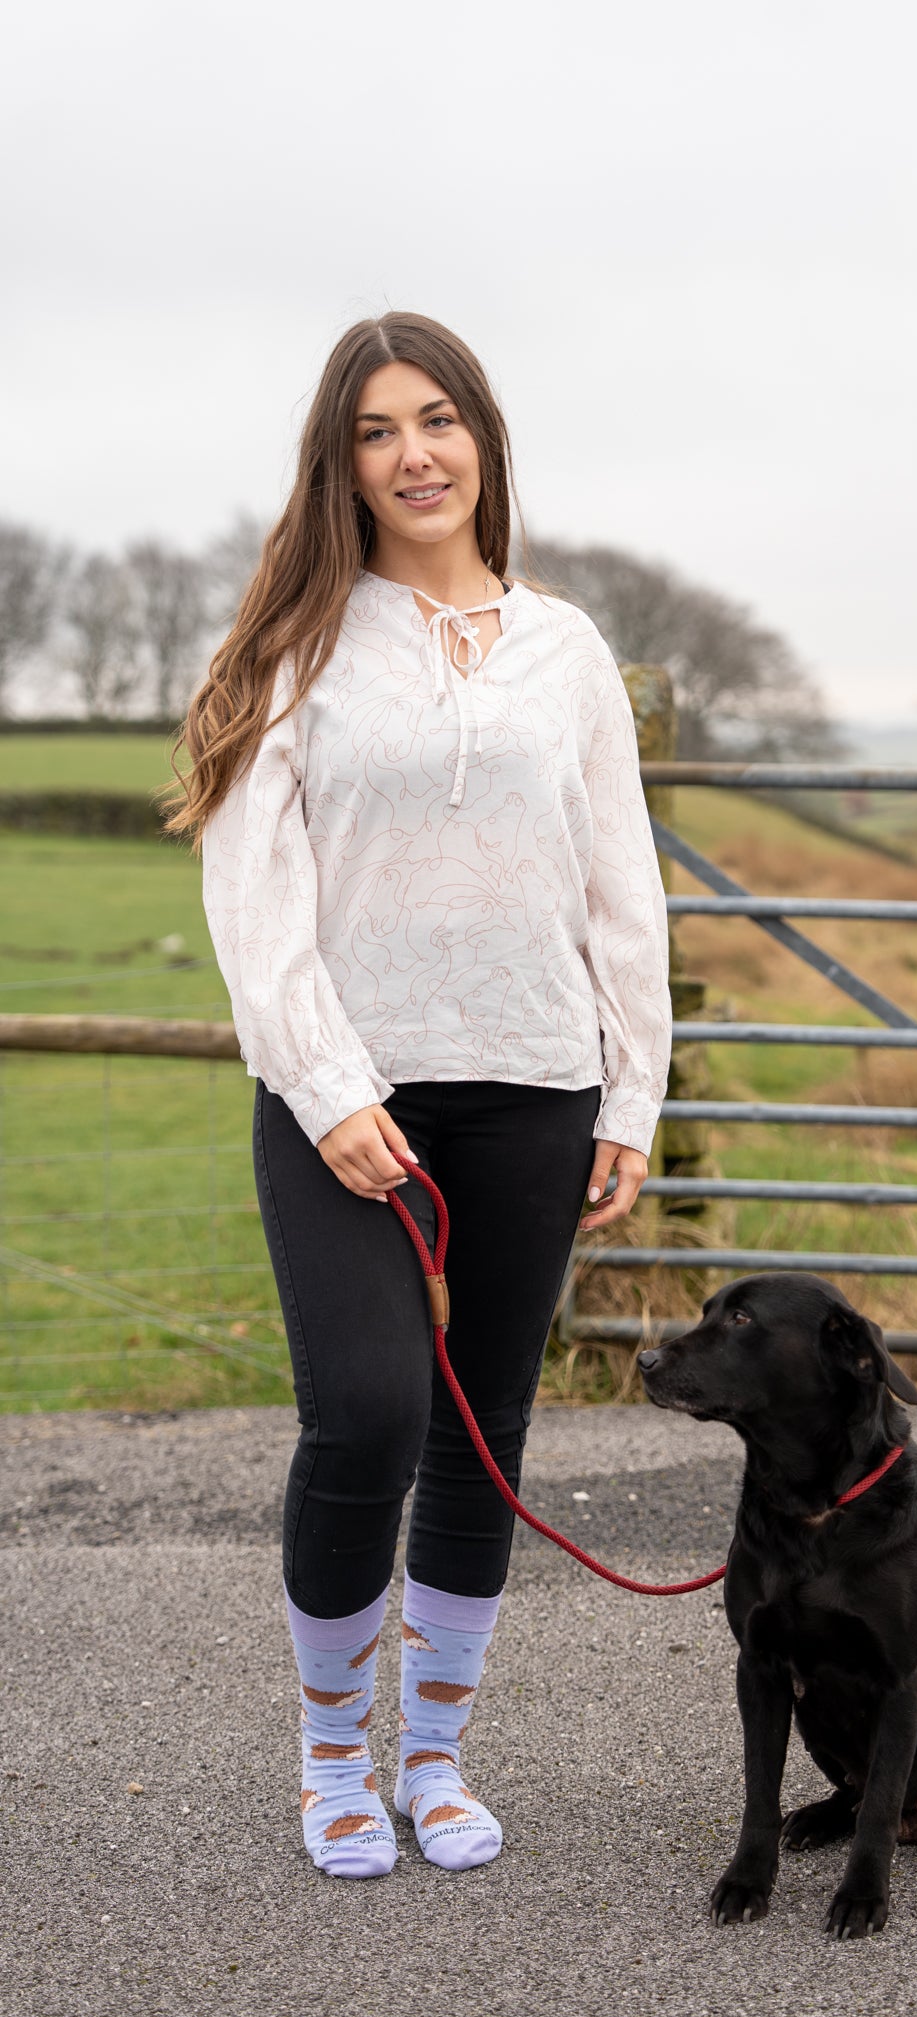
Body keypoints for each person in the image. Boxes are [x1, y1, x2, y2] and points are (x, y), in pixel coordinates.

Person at [164, 311, 672, 1880]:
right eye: (378, 430)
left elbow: (620, 883)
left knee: (485, 1436)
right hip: (350, 1102)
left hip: (534, 1083)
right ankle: (332, 1761)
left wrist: (629, 1093)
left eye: (437, 419)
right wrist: (325, 1090)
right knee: (369, 1415)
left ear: (481, 440)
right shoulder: (294, 649)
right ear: (343, 462)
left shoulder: (566, 648)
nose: (414, 454)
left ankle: (435, 1757)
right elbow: (256, 899)